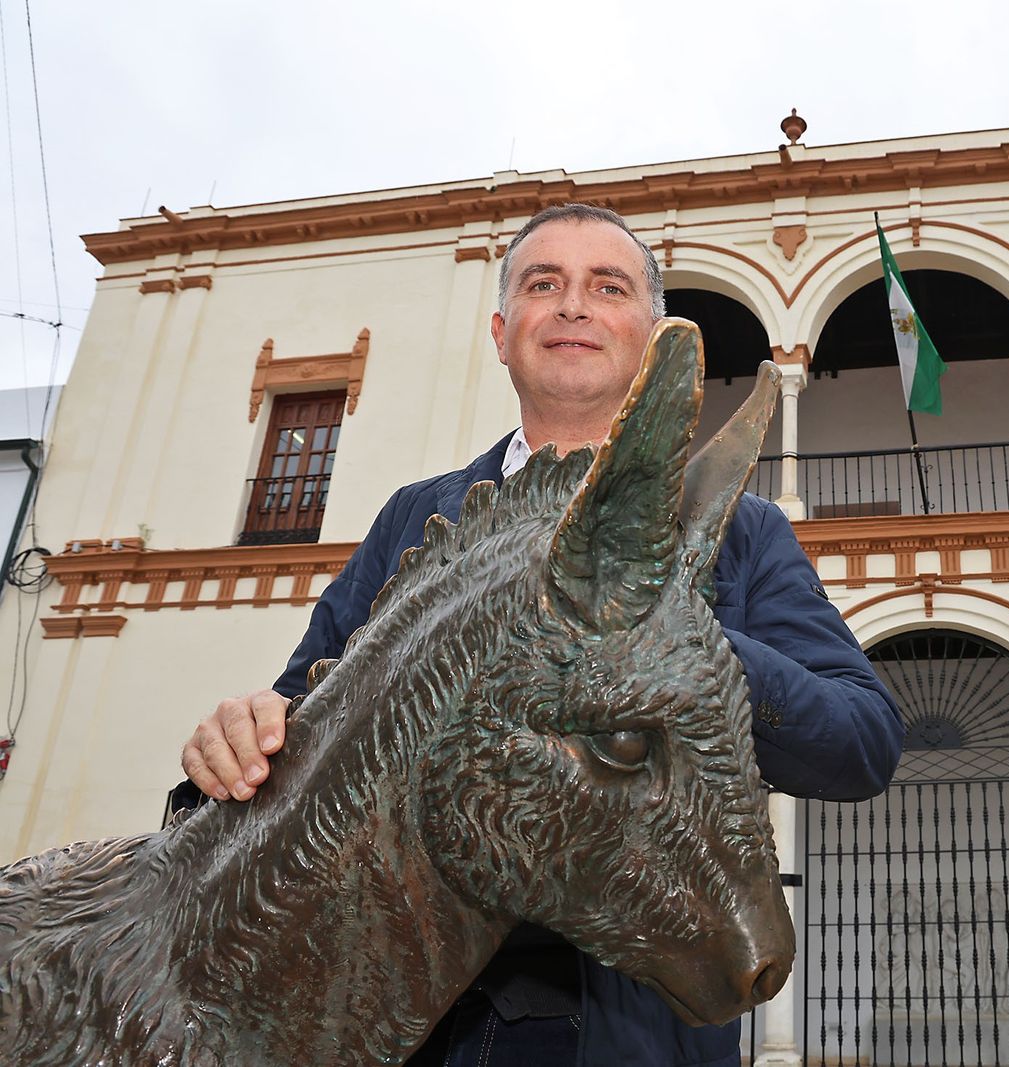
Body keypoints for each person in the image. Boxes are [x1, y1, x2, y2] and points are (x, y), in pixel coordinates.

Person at [173, 203, 905, 1067]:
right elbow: (303, 712)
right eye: (543, 284)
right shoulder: (417, 516)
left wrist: (673, 647)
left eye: (608, 286)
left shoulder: (742, 531)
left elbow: (862, 741)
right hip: (411, 1032)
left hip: (627, 1030)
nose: (572, 307)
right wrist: (244, 737)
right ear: (501, 329)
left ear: (647, 329)